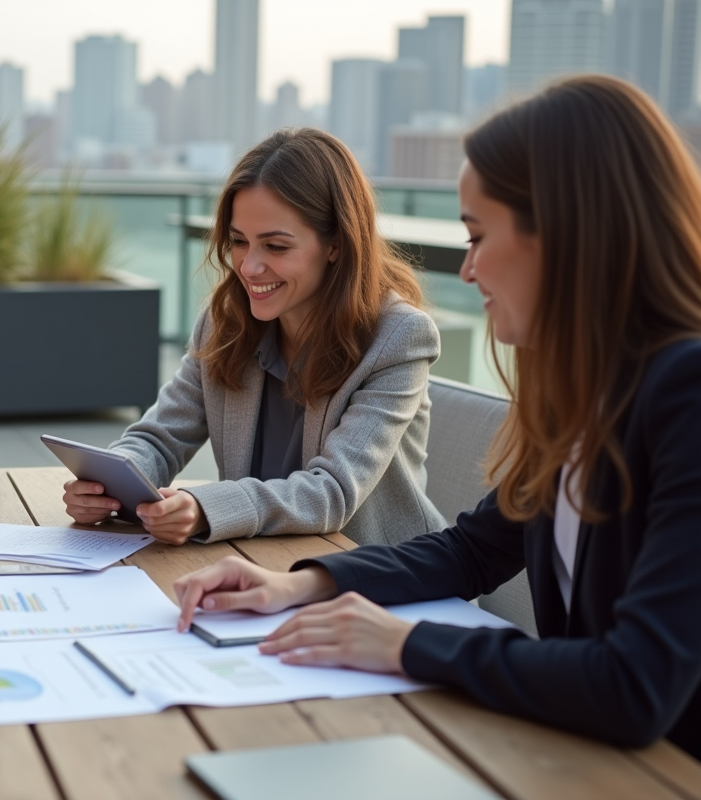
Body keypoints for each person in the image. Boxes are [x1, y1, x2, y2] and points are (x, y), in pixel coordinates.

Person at [173, 75, 701, 759]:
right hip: (576, 753)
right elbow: (472, 551)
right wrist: (298, 585)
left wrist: (406, 644)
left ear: (568, 236)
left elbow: (635, 685)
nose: (470, 270)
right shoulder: (587, 393)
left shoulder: (685, 393)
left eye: (478, 236)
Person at [64, 129, 444, 546]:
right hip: (261, 563)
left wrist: (205, 508)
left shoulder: (398, 338)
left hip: (375, 572)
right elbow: (160, 437)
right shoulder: (225, 321)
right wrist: (110, 484)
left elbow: (331, 493)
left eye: (276, 246)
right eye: (239, 242)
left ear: (336, 244)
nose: (248, 267)